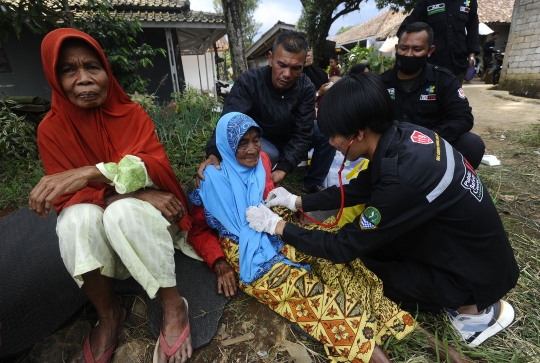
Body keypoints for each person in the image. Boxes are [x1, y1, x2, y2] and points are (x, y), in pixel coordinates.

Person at [246, 72, 519, 348]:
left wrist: (277, 227)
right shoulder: (403, 135)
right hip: (471, 249)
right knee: (369, 251)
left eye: (333, 136)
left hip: (473, 275)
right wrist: (297, 202)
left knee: (372, 277)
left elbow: (342, 247)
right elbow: (359, 189)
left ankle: (474, 313)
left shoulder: (401, 179)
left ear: (358, 134)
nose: (330, 143)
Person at [191, 111, 415, 362]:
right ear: (226, 146)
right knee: (308, 293)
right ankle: (365, 345)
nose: (253, 149)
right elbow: (198, 229)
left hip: (277, 227)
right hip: (250, 254)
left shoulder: (262, 161)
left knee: (337, 261)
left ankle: (390, 319)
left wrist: (290, 205)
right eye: (242, 143)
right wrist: (219, 263)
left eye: (256, 140)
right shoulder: (209, 181)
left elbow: (267, 195)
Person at [30, 28, 192, 363]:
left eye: (93, 67)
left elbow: (150, 167)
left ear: (106, 70)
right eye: (69, 70)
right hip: (109, 237)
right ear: (53, 76)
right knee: (75, 220)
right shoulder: (51, 130)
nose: (85, 79)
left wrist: (90, 173)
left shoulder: (131, 113)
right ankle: (109, 314)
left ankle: (174, 305)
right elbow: (69, 201)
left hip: (149, 227)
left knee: (124, 213)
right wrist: (135, 194)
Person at [198, 30, 334, 194]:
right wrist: (214, 154)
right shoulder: (250, 82)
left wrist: (283, 168)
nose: (287, 74)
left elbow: (303, 132)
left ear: (303, 64)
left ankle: (312, 182)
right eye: (281, 65)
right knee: (268, 154)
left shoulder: (306, 88)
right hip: (262, 137)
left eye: (296, 68)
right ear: (270, 59)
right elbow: (229, 120)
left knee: (327, 131)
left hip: (291, 134)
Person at [380, 22, 485, 169]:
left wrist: (427, 138)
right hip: (392, 148)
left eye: (417, 49)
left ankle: (448, 184)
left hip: (433, 148)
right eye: (404, 48)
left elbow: (463, 119)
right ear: (397, 48)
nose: (409, 54)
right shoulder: (381, 83)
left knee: (472, 144)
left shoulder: (444, 80)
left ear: (430, 51)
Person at [398, 0, 480, 83]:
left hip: (458, 66)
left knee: (454, 95)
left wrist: (472, 58)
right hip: (431, 66)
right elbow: (405, 29)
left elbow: (473, 29)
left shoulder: (469, 1)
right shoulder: (426, 2)